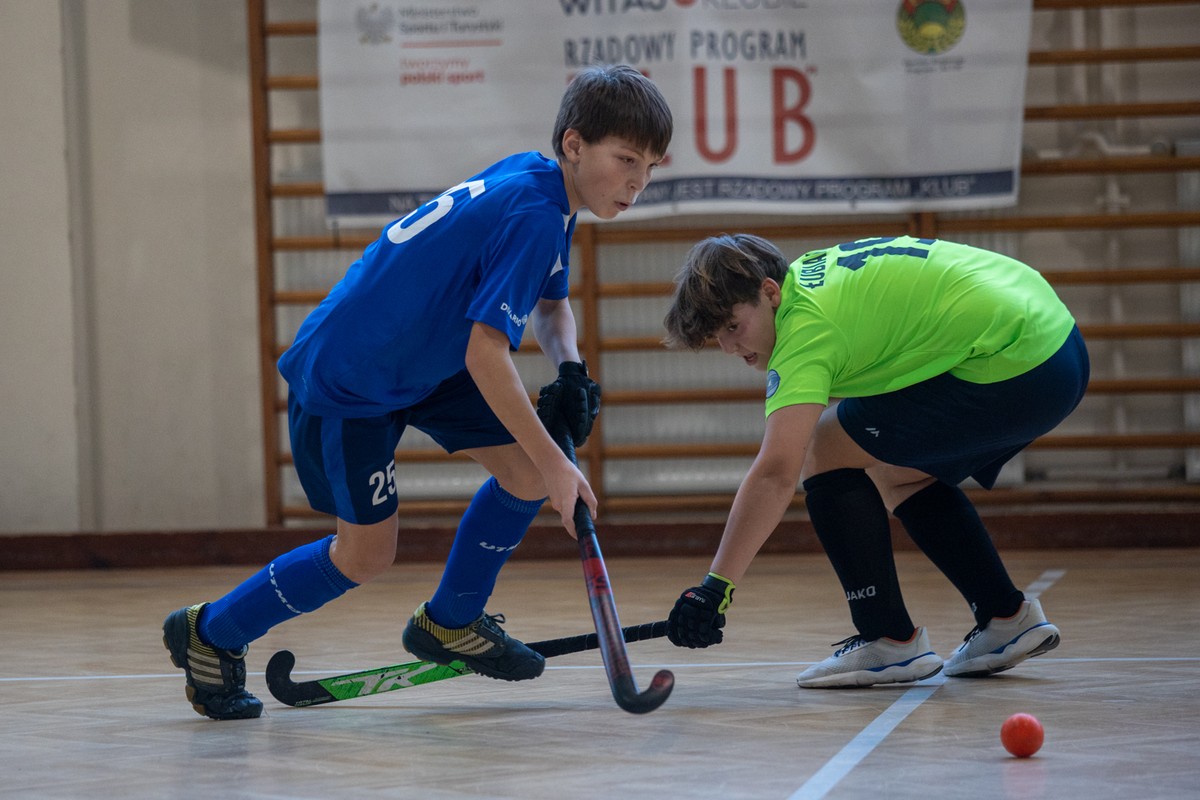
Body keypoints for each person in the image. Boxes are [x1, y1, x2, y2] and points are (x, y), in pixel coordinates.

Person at [163, 64, 673, 720]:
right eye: (626, 159)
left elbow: (551, 302)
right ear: (574, 144)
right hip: (355, 376)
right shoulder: (536, 214)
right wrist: (557, 463)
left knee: (523, 474)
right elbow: (485, 354)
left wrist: (571, 370)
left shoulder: (544, 187)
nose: (637, 181)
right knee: (366, 554)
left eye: (651, 166)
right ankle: (210, 632)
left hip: (423, 359)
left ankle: (450, 622)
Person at [662, 234, 1088, 688]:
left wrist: (715, 588)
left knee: (823, 449)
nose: (729, 347)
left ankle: (887, 639)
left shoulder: (804, 332)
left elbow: (776, 473)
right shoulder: (810, 276)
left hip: (1018, 361)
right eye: (718, 337)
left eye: (733, 326)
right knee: (894, 471)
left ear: (769, 293)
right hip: (1058, 342)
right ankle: (1006, 616)